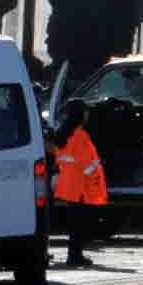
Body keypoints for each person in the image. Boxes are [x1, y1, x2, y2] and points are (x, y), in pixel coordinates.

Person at [49, 99, 106, 267]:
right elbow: (88, 165)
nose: (88, 114)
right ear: (79, 114)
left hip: (69, 185)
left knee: (76, 222)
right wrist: (95, 178)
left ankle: (74, 255)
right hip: (80, 186)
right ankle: (75, 256)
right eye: (85, 111)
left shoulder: (64, 134)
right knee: (79, 223)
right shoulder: (79, 136)